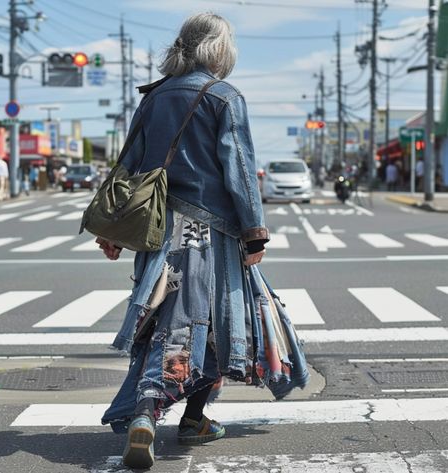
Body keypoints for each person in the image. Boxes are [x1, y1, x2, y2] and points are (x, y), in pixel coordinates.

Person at [97, 13, 309, 470]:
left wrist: (108, 229)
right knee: (216, 326)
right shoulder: (224, 97)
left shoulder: (153, 99)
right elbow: (239, 171)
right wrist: (255, 232)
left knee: (161, 324)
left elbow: (127, 165)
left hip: (155, 235)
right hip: (211, 234)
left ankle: (170, 417)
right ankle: (165, 416)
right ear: (218, 48)